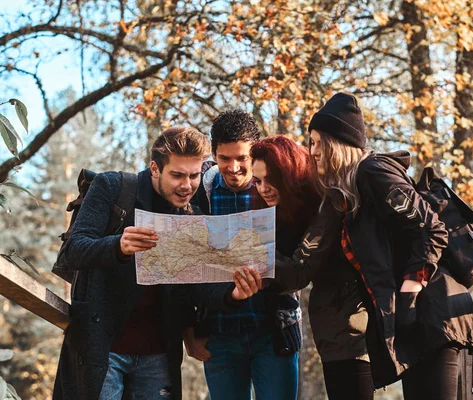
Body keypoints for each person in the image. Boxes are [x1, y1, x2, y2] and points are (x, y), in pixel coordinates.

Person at [53, 127, 262, 400]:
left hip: (159, 355)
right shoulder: (112, 187)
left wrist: (233, 294)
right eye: (177, 175)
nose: (187, 185)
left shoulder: (193, 215)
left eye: (194, 175)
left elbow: (195, 287)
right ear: (155, 168)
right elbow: (74, 250)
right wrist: (117, 246)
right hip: (103, 347)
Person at [306, 92, 473, 399]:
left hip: (433, 313)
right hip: (415, 326)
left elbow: (431, 229)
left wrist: (410, 290)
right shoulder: (353, 190)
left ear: (336, 143)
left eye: (317, 141)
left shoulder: (372, 171)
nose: (313, 150)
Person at [186, 111, 301, 400]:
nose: (234, 167)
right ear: (213, 154)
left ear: (256, 153)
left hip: (273, 331)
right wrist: (189, 330)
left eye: (242, 158)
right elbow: (185, 266)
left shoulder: (278, 189)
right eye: (225, 158)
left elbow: (302, 258)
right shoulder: (200, 193)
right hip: (220, 335)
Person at [251, 136, 374, 400]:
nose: (263, 188)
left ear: (289, 174)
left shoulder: (324, 201)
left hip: (355, 324)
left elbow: (298, 271)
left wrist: (253, 257)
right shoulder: (281, 212)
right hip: (332, 327)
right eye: (257, 180)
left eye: (270, 179)